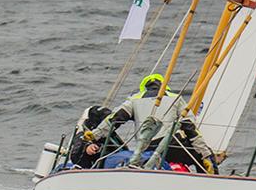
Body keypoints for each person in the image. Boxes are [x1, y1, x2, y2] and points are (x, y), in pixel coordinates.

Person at [89, 73, 217, 172]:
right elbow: (190, 128)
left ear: (144, 87)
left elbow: (113, 120)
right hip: (174, 146)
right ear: (164, 86)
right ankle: (210, 186)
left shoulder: (134, 100)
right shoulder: (175, 98)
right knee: (205, 158)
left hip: (147, 147)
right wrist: (205, 154)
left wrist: (93, 135)